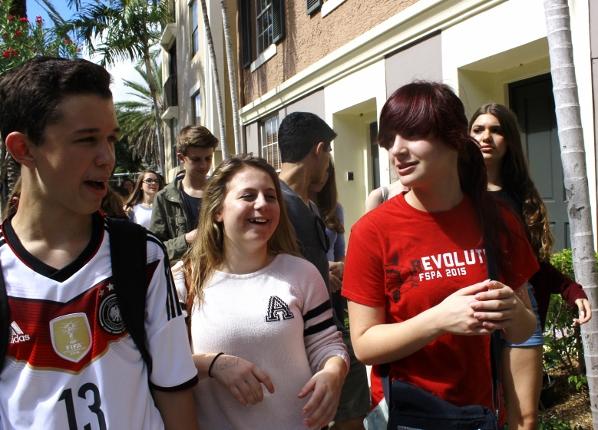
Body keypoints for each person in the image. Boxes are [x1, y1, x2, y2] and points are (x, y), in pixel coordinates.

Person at [0, 57, 199, 429]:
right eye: (87, 140)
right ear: (24, 149)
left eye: (111, 139)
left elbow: (176, 394)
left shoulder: (141, 256)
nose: (107, 158)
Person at [343, 82, 539, 428]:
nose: (396, 150)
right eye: (390, 139)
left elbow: (524, 330)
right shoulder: (372, 231)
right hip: (406, 415)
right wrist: (440, 319)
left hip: (479, 415)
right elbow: (363, 345)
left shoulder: (498, 220)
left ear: (452, 138)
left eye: (411, 134)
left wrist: (511, 310)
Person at [175, 155, 349, 429]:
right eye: (247, 196)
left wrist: (333, 372)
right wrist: (213, 364)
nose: (262, 204)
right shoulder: (184, 280)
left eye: (270, 196)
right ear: (218, 210)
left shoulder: (301, 273)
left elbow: (325, 344)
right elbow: (162, 362)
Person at [469, 103, 592, 429]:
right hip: (472, 313)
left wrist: (570, 288)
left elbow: (533, 264)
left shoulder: (520, 196)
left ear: (509, 140)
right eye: (478, 129)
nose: (486, 137)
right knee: (479, 412)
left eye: (496, 130)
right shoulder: (457, 195)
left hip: (522, 310)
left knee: (524, 420)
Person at [278, 112, 370, 430]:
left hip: (331, 333)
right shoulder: (272, 203)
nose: (330, 163)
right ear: (319, 150)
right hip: (300, 344)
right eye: (329, 153)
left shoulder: (311, 206)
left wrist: (325, 270)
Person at [150, 125, 218, 262]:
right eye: (196, 159)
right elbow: (155, 249)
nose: (204, 165)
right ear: (182, 158)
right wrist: (187, 239)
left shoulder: (221, 193)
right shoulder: (164, 198)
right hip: (182, 278)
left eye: (208, 158)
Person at [311, 161, 347, 327]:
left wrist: (341, 266)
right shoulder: (292, 206)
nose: (322, 177)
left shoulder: (335, 208)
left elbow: (340, 251)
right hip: (309, 288)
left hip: (333, 290)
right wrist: (321, 269)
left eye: (328, 172)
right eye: (320, 170)